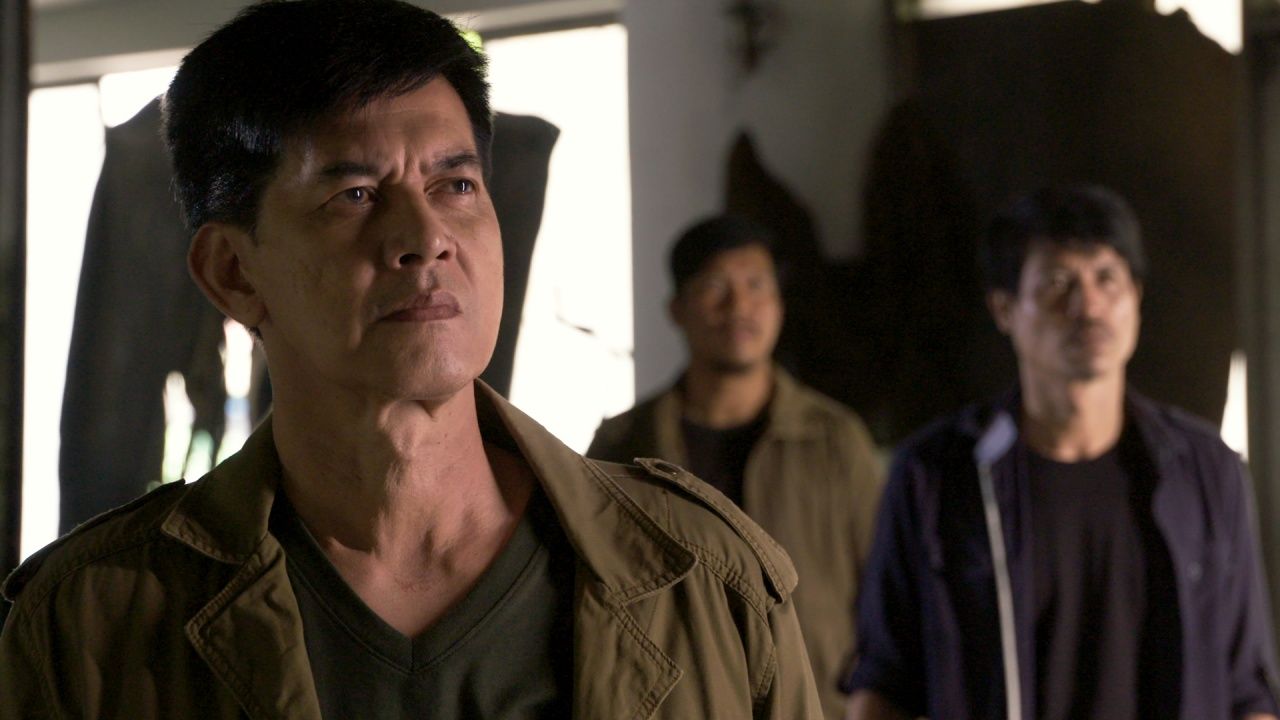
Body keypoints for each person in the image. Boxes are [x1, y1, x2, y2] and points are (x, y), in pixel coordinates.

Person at [0, 2, 824, 717]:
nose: (426, 238)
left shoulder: (706, 584)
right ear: (234, 273)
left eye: (455, 186)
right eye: (355, 195)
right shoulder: (93, 625)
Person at [843, 185, 1280, 720]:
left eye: (1107, 278)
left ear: (1136, 297)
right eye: (1057, 283)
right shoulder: (935, 475)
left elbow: (1249, 688)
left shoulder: (1205, 470)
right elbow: (883, 681)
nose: (1088, 306)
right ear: (1004, 309)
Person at [588, 214, 884, 720]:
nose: (739, 306)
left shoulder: (833, 439)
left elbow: (888, 591)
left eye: (756, 285)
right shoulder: (625, 445)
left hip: (814, 705)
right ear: (677, 309)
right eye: (715, 287)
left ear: (779, 304)